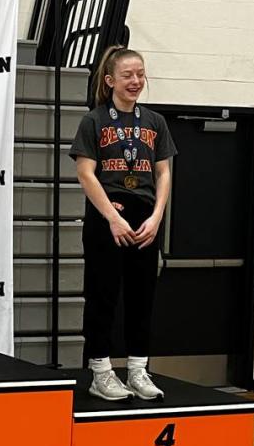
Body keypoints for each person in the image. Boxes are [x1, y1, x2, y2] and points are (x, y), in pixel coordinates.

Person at [70, 45, 175, 401]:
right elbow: (85, 173)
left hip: (144, 219)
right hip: (107, 217)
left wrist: (157, 216)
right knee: (102, 296)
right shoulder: (94, 120)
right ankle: (100, 371)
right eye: (128, 75)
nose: (135, 81)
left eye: (140, 74)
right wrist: (112, 218)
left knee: (141, 297)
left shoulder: (155, 122)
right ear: (111, 80)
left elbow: (163, 172)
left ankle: (138, 370)